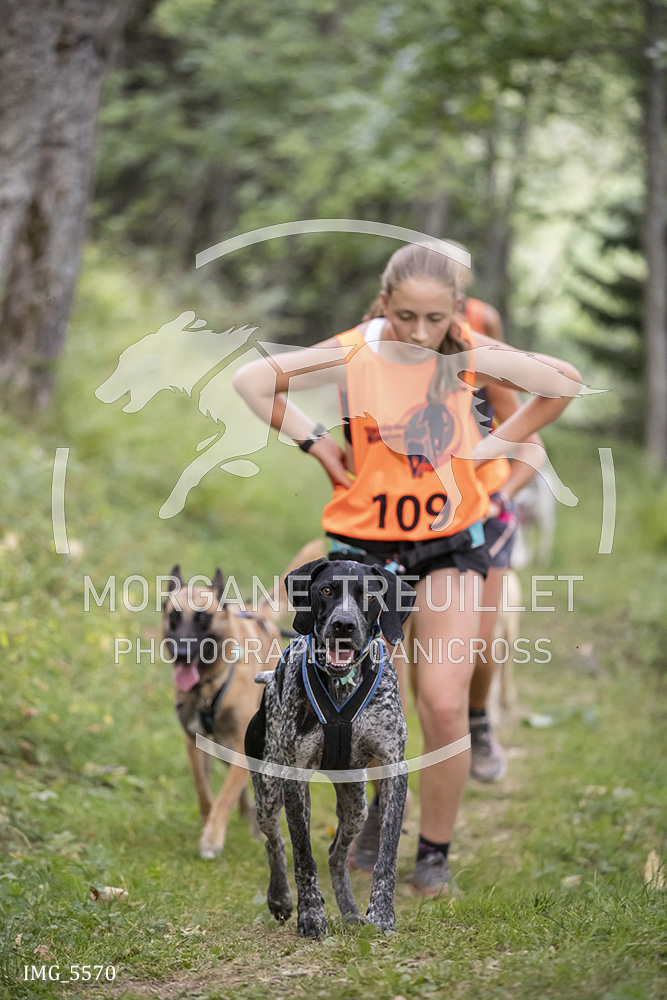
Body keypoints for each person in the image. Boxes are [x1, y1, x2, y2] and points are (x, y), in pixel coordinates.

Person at [233, 243, 583, 895]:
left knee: (443, 702)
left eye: (434, 319)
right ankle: (377, 822)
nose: (419, 333)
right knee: (373, 701)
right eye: (405, 317)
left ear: (456, 310)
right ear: (384, 302)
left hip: (448, 543)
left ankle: (434, 854)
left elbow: (561, 381)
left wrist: (488, 449)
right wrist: (315, 442)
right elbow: (253, 381)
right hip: (364, 551)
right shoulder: (355, 349)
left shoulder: (466, 351)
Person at [460, 274, 544, 783]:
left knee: (482, 639)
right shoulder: (385, 352)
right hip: (413, 517)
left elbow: (531, 446)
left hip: (485, 513)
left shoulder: (482, 339)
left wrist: (500, 495)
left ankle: (478, 720)